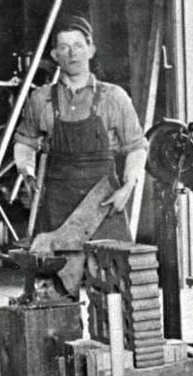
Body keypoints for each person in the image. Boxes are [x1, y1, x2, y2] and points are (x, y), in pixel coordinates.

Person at [13, 15, 147, 257]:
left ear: (91, 50)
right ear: (55, 55)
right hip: (57, 203)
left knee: (112, 283)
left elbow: (137, 147)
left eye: (78, 46)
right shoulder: (40, 99)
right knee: (57, 283)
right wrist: (28, 175)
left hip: (103, 203)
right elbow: (25, 143)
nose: (72, 54)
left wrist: (127, 187)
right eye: (64, 48)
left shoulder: (113, 97)